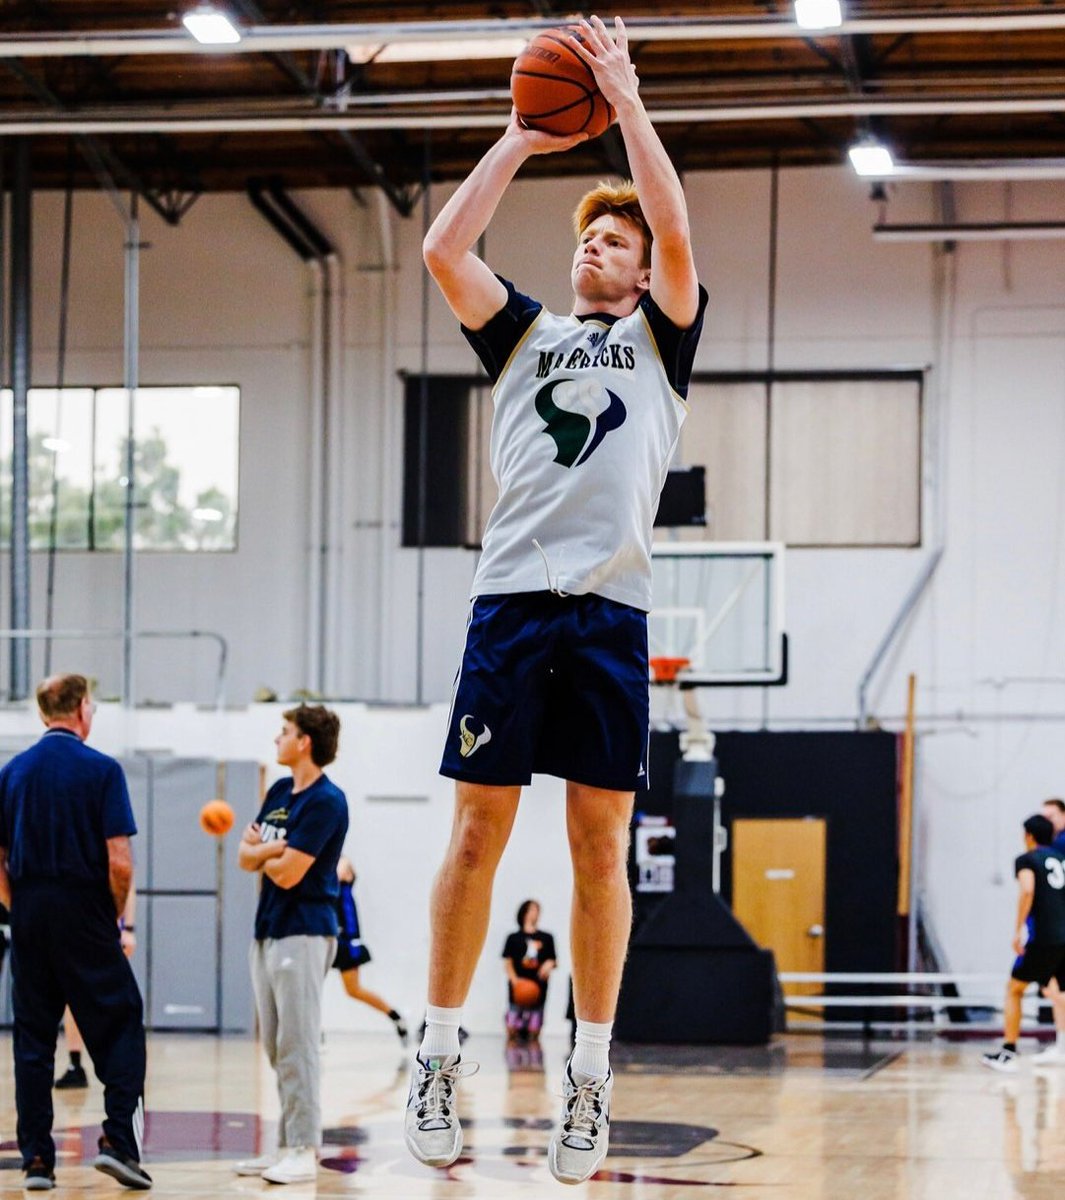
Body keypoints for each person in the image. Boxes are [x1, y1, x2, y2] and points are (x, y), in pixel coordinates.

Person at [407, 13, 706, 1185]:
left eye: (616, 242)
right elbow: (442, 247)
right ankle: (439, 1054)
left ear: (641, 274)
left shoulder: (662, 341)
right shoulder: (524, 335)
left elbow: (677, 224)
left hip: (609, 613)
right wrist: (522, 136)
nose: (600, 249)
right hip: (511, 606)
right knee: (475, 831)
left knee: (599, 847)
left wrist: (626, 104)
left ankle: (589, 1073)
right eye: (591, 240)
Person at [0, 674, 151, 1191]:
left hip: (29, 912)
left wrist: (19, 905)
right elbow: (120, 861)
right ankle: (117, 1143)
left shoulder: (12, 772)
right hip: (85, 908)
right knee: (122, 1021)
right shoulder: (103, 769)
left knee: (34, 1039)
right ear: (83, 708)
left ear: (44, 713)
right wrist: (111, 918)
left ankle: (37, 1162)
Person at [235, 705, 348, 1185]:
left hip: (305, 930)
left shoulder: (327, 801)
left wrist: (269, 853)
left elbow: (289, 872)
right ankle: (285, 1144)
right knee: (276, 1046)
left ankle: (305, 1148)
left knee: (298, 1043)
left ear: (304, 742)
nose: (276, 739)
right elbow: (245, 858)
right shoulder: (281, 791)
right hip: (268, 929)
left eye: (284, 732)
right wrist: (272, 850)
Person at [982, 814, 1065, 1071]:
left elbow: (1028, 889)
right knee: (1058, 991)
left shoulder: (1026, 859)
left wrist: (1018, 930)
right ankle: (1061, 1046)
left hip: (1044, 938)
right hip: (1064, 938)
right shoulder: (1062, 859)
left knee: (1014, 989)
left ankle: (1008, 1052)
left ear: (1028, 835)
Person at [56, 885, 137, 1090]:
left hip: (103, 924)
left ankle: (119, 1063)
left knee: (109, 996)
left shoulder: (112, 854)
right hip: (71, 921)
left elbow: (128, 881)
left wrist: (128, 928)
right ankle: (75, 1064)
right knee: (71, 996)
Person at [333, 855, 408, 1044]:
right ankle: (314, 1036)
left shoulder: (343, 875)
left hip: (347, 943)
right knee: (311, 986)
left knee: (353, 990)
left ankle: (395, 1016)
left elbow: (341, 870)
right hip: (325, 938)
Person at [502, 900, 556, 1043]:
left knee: (534, 1027)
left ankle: (533, 1060)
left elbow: (553, 959)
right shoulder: (513, 938)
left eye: (537, 910)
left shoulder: (546, 937)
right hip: (519, 984)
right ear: (524, 912)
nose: (535, 913)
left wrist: (549, 964)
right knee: (513, 1025)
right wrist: (515, 982)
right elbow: (507, 962)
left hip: (539, 985)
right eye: (531, 909)